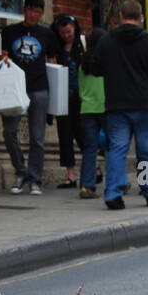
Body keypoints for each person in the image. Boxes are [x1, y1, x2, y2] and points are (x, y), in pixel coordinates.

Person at [90, 0, 148, 210]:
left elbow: (95, 68)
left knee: (117, 149)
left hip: (116, 104)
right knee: (147, 151)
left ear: (120, 17)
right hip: (143, 103)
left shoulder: (107, 41)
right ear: (141, 17)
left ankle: (113, 193)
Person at [0, 0, 57, 194]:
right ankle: (20, 170)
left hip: (39, 88)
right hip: (14, 89)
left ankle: (35, 178)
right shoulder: (8, 32)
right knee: (9, 131)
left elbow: (52, 61)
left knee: (37, 137)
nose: (34, 15)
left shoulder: (47, 34)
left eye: (38, 12)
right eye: (31, 10)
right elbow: (1, 56)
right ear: (24, 10)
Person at [51, 14, 85, 187]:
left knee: (82, 133)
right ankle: (70, 175)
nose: (66, 35)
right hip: (61, 95)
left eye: (69, 32)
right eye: (62, 32)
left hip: (81, 95)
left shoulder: (83, 45)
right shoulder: (55, 48)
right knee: (64, 135)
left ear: (75, 28)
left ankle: (92, 168)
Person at [78, 27, 107, 199]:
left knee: (89, 149)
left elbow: (81, 87)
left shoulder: (83, 63)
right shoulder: (107, 62)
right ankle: (117, 182)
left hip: (86, 109)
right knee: (113, 147)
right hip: (105, 107)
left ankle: (86, 186)